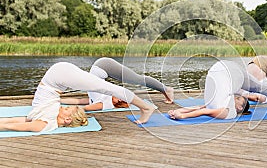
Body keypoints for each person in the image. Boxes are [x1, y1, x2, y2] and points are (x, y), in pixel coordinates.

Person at [0, 62, 155, 132]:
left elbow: (13, 124)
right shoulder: (46, 122)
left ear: (67, 120)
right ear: (68, 120)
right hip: (59, 77)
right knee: (108, 88)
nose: (63, 107)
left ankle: (145, 106)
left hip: (58, 78)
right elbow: (14, 123)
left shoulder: (42, 123)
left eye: (66, 108)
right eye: (67, 108)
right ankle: (145, 106)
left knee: (107, 88)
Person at [168, 60, 267, 120]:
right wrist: (181, 114)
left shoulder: (226, 110)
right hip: (228, 71)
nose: (235, 97)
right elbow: (203, 110)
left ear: (239, 108)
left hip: (218, 70)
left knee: (257, 87)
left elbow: (202, 109)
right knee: (257, 87)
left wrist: (180, 112)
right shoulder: (228, 111)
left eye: (238, 98)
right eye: (238, 97)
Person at [61, 57, 174, 111]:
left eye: (120, 101)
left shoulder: (101, 102)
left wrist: (59, 100)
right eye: (122, 98)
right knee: (137, 79)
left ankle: (165, 90)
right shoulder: (106, 101)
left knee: (137, 79)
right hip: (104, 66)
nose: (119, 98)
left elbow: (80, 102)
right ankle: (166, 89)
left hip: (102, 67)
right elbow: (85, 107)